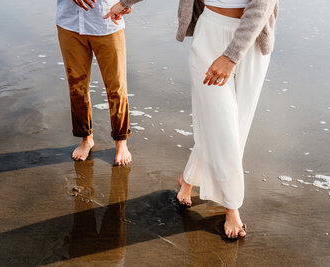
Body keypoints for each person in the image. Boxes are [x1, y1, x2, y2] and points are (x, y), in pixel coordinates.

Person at [105, 0, 278, 239]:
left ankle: (187, 179)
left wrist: (230, 56)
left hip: (252, 39)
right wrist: (125, 2)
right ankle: (232, 206)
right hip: (210, 32)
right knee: (220, 125)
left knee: (236, 126)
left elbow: (262, 5)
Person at [57, 0, 133, 164]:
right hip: (69, 24)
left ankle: (121, 142)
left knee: (116, 86)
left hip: (107, 22)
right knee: (77, 86)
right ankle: (86, 138)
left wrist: (127, 3)